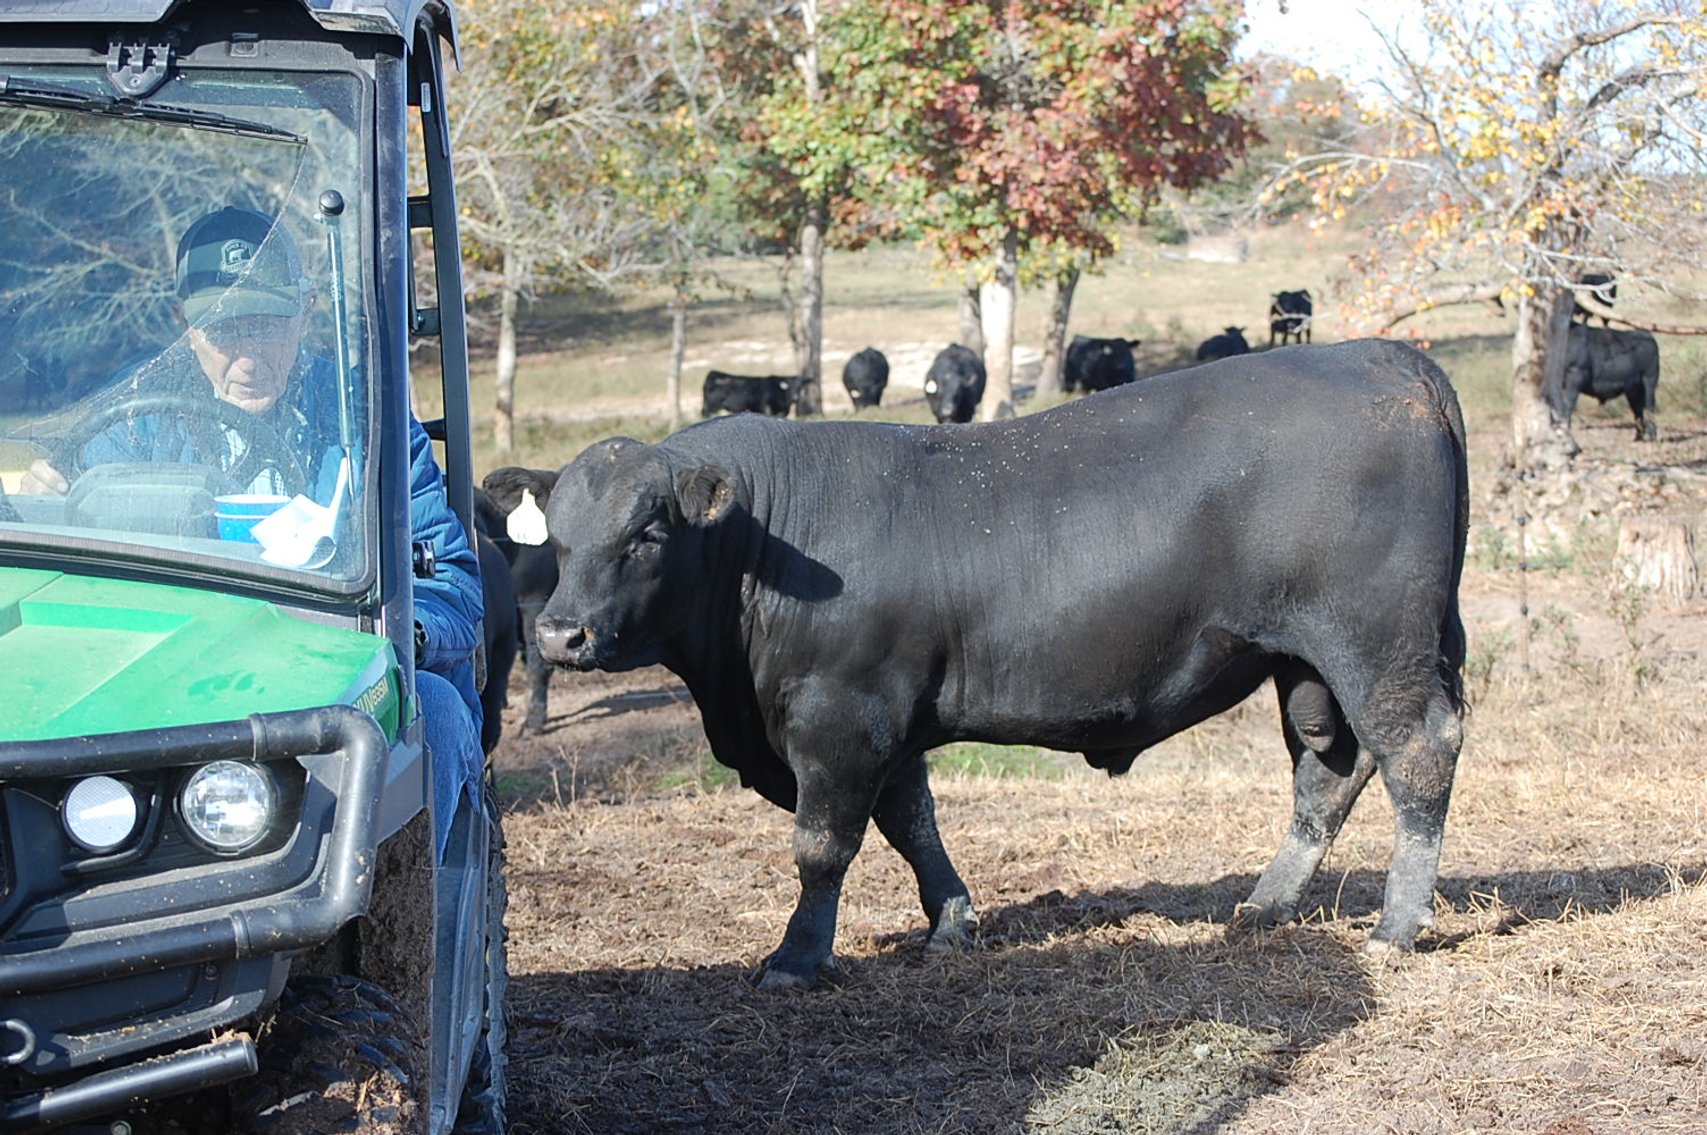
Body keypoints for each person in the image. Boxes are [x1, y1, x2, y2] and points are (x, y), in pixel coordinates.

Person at [21, 206, 485, 855]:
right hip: (187, 682)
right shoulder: (127, 428)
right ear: (185, 324)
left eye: (267, 326)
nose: (248, 355)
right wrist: (44, 505)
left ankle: (410, 941)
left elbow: (454, 586)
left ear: (306, 311)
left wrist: (391, 631)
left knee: (432, 705)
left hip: (335, 683)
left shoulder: (368, 420)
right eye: (225, 330)